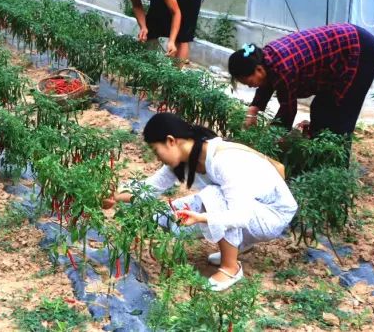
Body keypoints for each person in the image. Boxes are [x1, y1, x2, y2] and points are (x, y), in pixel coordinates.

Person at [104, 113, 297, 292]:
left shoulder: (224, 161)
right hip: (251, 207)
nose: (157, 156)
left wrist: (202, 218)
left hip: (271, 215)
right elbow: (150, 188)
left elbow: (241, 214)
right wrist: (114, 195)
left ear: (171, 141)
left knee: (213, 196)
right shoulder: (187, 158)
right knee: (166, 215)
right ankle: (239, 244)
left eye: (156, 150)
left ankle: (231, 268)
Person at [228, 23, 374, 138]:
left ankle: (336, 167)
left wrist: (271, 138)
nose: (249, 85)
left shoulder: (283, 68)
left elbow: (287, 111)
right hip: (340, 53)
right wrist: (253, 111)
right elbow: (267, 82)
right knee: (320, 107)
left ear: (259, 69)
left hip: (360, 51)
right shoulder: (265, 59)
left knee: (342, 114)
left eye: (248, 81)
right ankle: (317, 156)